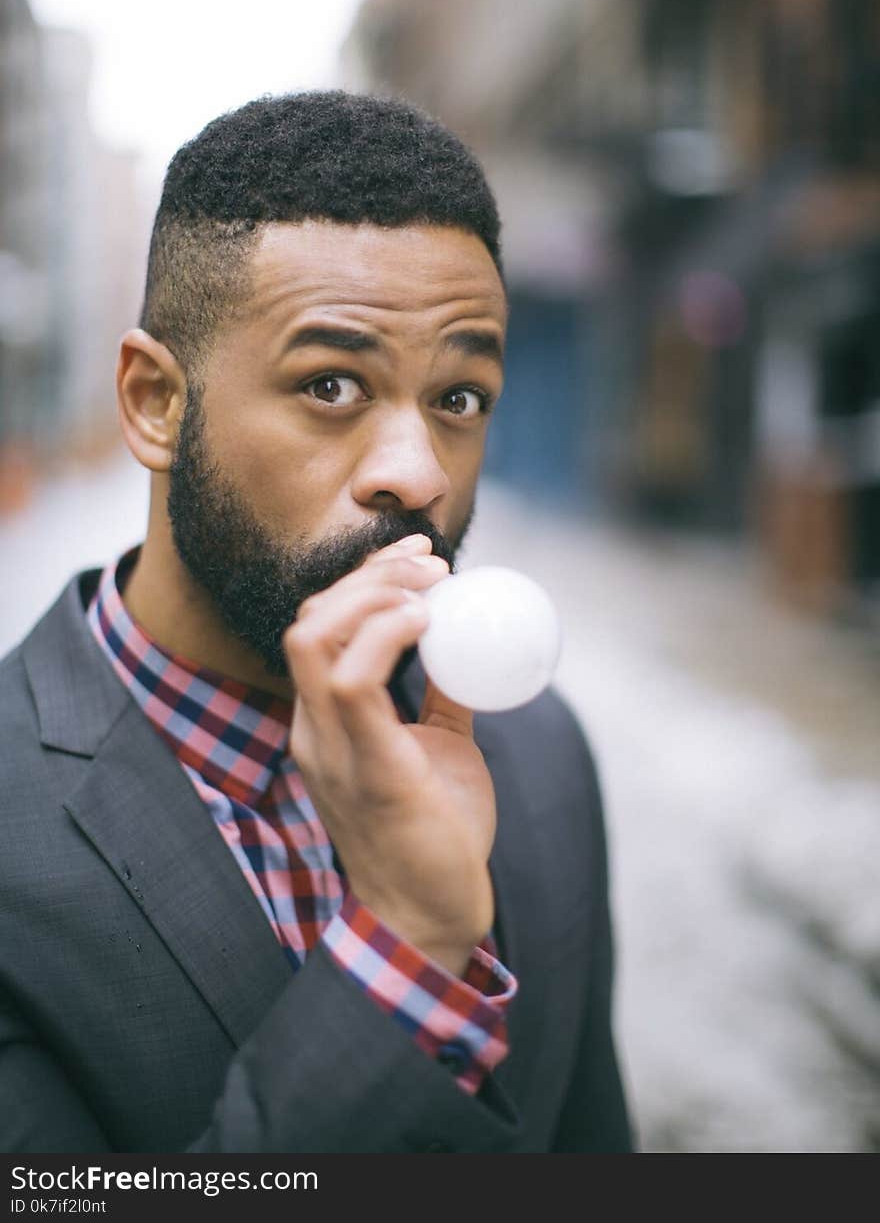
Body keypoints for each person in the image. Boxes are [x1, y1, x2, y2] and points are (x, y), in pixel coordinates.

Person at [0, 91, 634, 1153]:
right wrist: (408, 943)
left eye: (459, 398)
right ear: (157, 400)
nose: (419, 474)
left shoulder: (540, 758)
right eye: (332, 383)